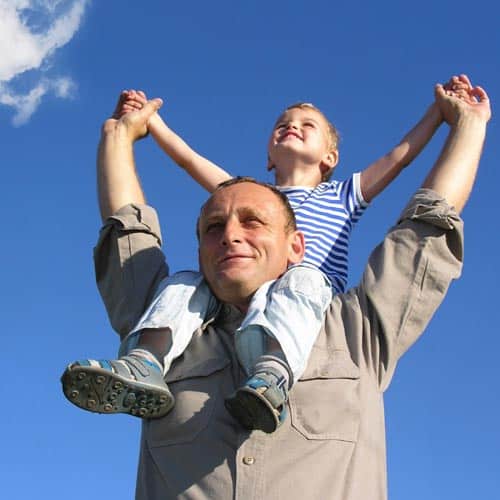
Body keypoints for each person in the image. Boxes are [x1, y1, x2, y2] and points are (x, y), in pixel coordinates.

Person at [72, 74, 488, 499]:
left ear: (295, 243)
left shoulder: (356, 332)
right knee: (180, 285)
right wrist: (126, 132)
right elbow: (132, 227)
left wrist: (454, 121)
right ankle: (144, 362)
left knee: (303, 280)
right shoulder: (171, 314)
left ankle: (273, 371)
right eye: (213, 227)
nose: (231, 235)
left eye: (253, 221)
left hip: (312, 294)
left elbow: (424, 215)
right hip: (182, 324)